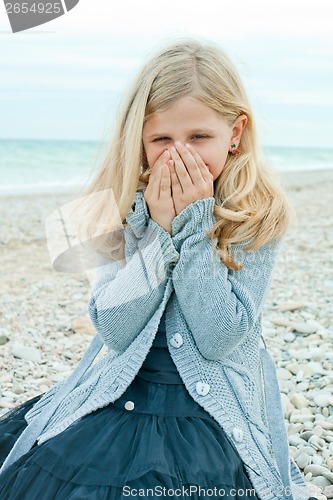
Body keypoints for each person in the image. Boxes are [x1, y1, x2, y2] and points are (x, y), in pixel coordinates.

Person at [0, 37, 316, 500]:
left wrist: (194, 228)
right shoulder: (118, 206)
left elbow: (219, 335)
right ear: (140, 141)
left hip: (210, 407)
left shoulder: (259, 212)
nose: (178, 155)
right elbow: (115, 329)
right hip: (124, 388)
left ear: (236, 132)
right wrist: (160, 236)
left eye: (198, 138)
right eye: (161, 139)